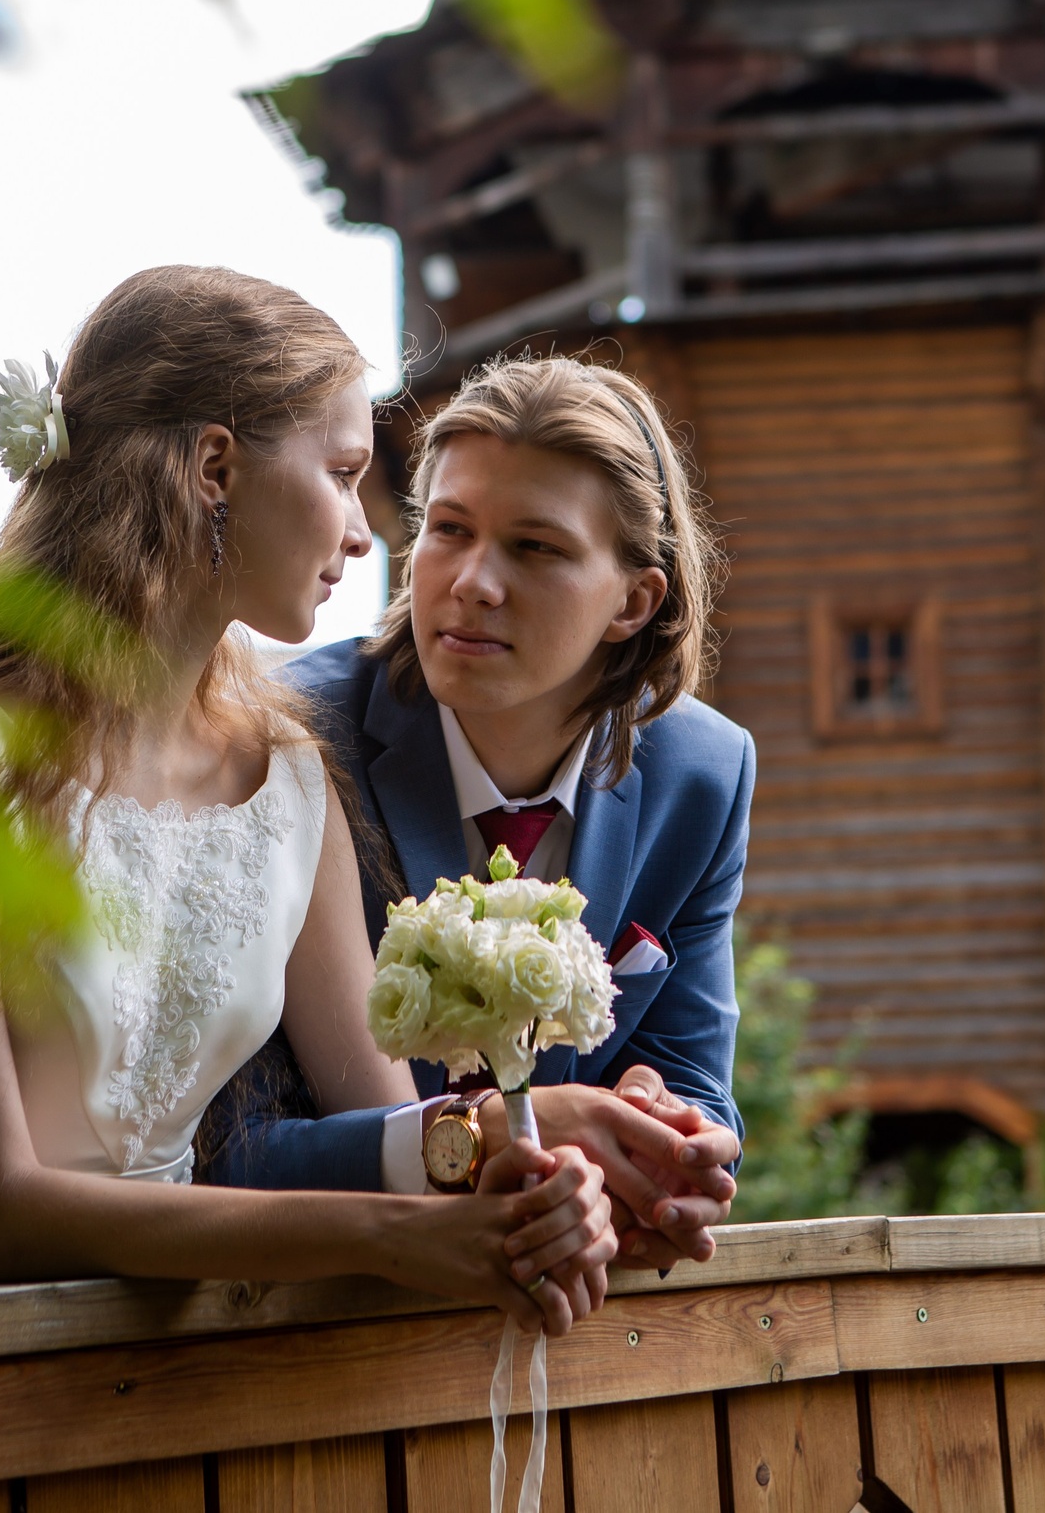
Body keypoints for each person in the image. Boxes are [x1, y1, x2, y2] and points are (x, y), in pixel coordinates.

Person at [0, 269, 616, 1331]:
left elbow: (386, 1126)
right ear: (215, 467)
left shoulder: (289, 777)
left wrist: (513, 1170)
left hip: (160, 1362)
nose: (362, 531)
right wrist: (396, 1240)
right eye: (341, 473)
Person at [203, 357, 751, 1270]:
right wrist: (485, 1137)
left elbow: (702, 1080)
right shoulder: (284, 742)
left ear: (634, 600)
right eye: (449, 529)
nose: (472, 581)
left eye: (536, 547)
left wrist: (659, 1126)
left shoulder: (704, 771)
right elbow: (228, 1145)